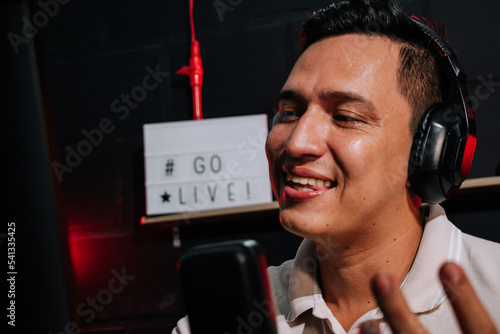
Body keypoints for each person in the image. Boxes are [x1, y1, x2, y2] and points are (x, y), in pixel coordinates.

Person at [173, 0, 500, 333]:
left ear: (430, 150)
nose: (296, 142)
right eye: (289, 112)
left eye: (345, 117)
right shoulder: (219, 322)